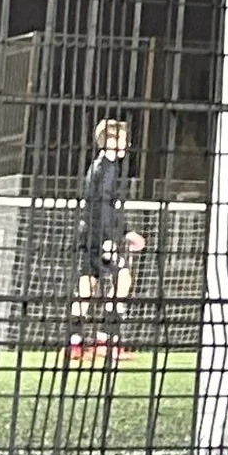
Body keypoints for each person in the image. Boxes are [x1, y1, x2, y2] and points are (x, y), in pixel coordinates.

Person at [70, 116, 146, 360]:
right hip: (98, 236)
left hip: (88, 234)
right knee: (122, 278)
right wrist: (109, 239)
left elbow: (106, 207)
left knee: (87, 285)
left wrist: (124, 232)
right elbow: (102, 207)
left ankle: (75, 343)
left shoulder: (101, 166)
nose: (128, 144)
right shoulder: (106, 169)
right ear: (112, 141)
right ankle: (106, 340)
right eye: (123, 139)